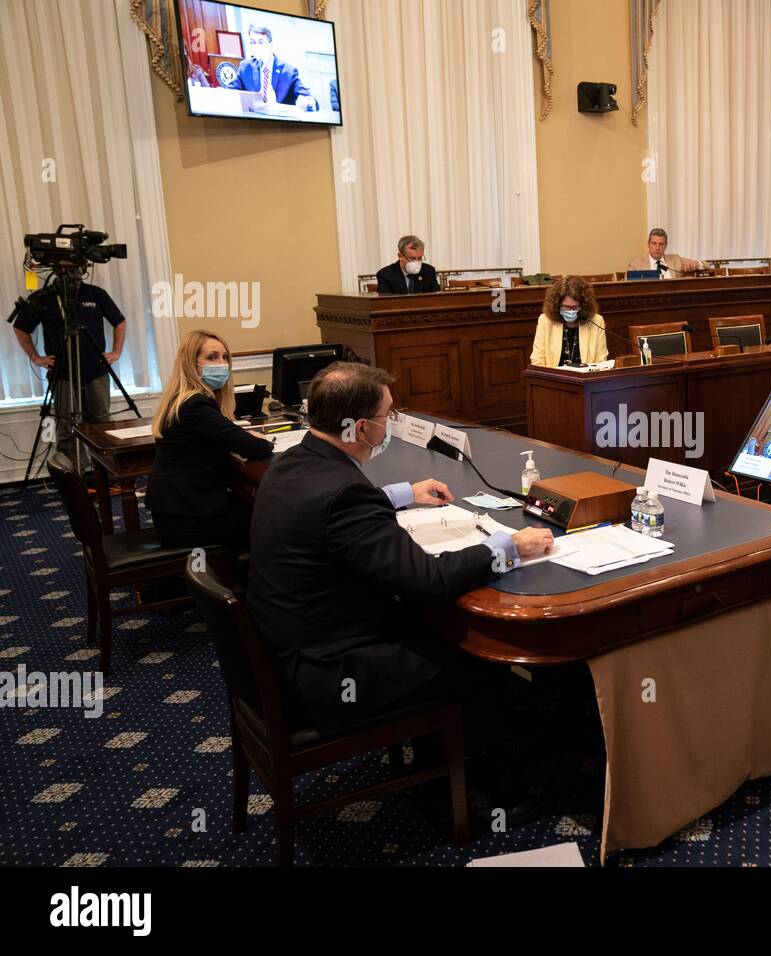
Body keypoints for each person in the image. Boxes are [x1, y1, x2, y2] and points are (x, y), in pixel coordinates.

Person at [246, 362, 554, 735]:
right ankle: (488, 764)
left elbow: (329, 511)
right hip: (333, 672)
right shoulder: (344, 493)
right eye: (386, 415)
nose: (390, 423)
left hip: (290, 648)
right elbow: (430, 580)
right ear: (361, 428)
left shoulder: (292, 461)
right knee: (480, 656)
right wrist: (510, 546)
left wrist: (403, 493)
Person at [146, 330, 273, 554]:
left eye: (225, 357)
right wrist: (256, 439)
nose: (222, 364)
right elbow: (257, 449)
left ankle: (240, 575)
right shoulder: (196, 406)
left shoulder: (181, 400)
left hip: (178, 508)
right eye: (212, 357)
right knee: (274, 520)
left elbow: (222, 434)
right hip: (188, 519)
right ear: (191, 364)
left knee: (254, 506)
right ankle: (252, 583)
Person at [11, 268, 126, 462]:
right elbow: (20, 327)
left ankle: (106, 471)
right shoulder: (43, 298)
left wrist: (116, 352)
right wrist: (36, 357)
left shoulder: (96, 294)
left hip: (95, 370)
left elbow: (119, 321)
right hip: (62, 373)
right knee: (66, 426)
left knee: (101, 423)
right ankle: (74, 475)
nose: (73, 272)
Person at [231, 24, 319, 111]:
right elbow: (229, 92)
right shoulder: (246, 67)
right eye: (253, 42)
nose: (256, 46)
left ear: (271, 45)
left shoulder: (288, 72)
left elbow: (309, 99)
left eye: (260, 42)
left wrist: (307, 102)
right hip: (251, 122)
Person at [529, 276, 609, 367]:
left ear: (584, 306)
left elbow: (602, 362)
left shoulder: (597, 321)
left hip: (585, 379)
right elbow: (537, 361)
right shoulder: (545, 321)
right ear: (557, 305)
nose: (570, 311)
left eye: (575, 307)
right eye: (565, 307)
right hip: (554, 379)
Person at [376, 236, 441, 294]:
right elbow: (385, 303)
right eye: (412, 258)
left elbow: (435, 298)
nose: (417, 262)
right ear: (400, 256)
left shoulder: (429, 271)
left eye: (420, 258)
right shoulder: (385, 275)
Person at [627, 228, 703, 278]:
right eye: (654, 243)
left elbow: (706, 264)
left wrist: (696, 263)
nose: (657, 247)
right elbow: (627, 285)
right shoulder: (636, 264)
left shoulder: (676, 259)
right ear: (648, 244)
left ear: (666, 245)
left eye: (661, 244)